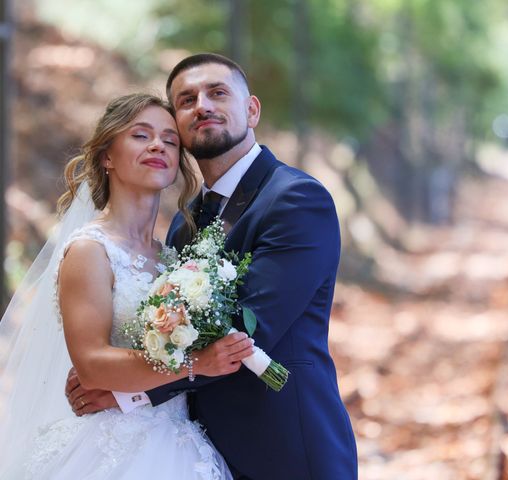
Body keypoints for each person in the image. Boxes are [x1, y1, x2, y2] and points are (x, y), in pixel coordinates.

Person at [68, 53, 358, 479]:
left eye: (218, 93)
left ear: (252, 109)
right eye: (186, 100)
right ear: (181, 130)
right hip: (197, 452)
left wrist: (127, 392)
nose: (202, 105)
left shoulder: (295, 200)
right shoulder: (184, 227)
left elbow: (245, 330)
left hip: (285, 450)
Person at [0, 93, 256, 479]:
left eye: (170, 140)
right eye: (141, 135)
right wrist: (197, 364)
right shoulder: (91, 250)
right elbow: (91, 365)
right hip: (111, 450)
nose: (158, 145)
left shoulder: (174, 257)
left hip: (180, 444)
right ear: (107, 156)